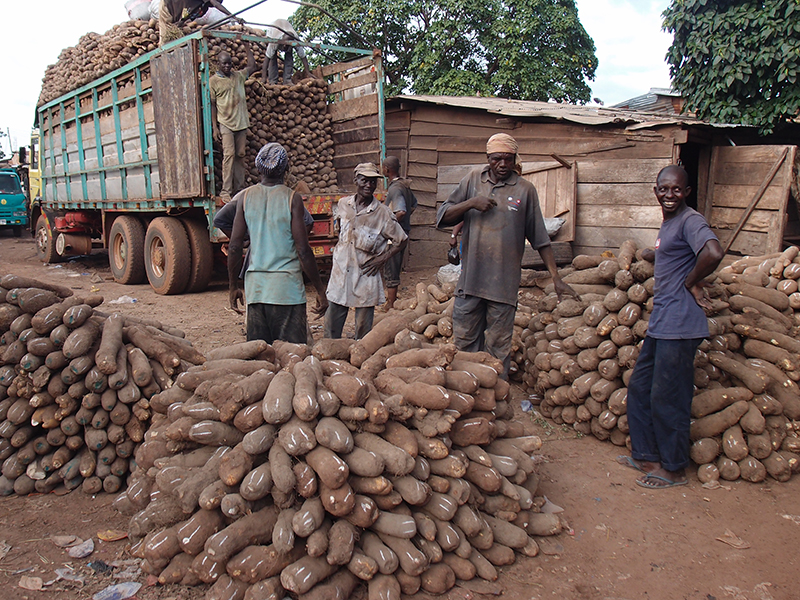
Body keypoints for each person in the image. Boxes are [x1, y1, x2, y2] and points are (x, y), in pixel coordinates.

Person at [436, 133, 578, 377]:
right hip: (470, 283)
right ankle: (467, 395)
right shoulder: (472, 181)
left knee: (498, 350)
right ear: (488, 158)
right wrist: (471, 203)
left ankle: (495, 402)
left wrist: (556, 277)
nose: (502, 165)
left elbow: (540, 239)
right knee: (464, 344)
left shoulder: (525, 190)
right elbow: (442, 217)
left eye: (508, 159)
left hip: (503, 287)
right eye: (497, 159)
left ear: (515, 159)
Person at [618, 165, 724, 489]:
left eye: (676, 190)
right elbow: (673, 253)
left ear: (687, 192)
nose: (669, 195)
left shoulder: (691, 219)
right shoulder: (671, 223)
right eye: (663, 189)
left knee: (669, 397)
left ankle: (674, 468)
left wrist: (692, 280)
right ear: (655, 191)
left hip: (680, 325)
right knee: (639, 388)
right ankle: (646, 454)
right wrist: (653, 252)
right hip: (662, 324)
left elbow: (714, 251)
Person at [227, 143, 328, 344]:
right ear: (286, 169)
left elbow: (235, 246)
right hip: (287, 291)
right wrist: (320, 289)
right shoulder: (292, 199)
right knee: (292, 357)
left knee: (262, 358)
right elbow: (303, 249)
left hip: (256, 291)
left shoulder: (245, 197)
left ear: (258, 169)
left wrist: (233, 287)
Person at [325, 163, 408, 340]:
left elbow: (402, 240)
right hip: (340, 274)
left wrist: (382, 259)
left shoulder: (383, 213)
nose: (369, 185)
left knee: (363, 334)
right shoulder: (343, 204)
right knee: (331, 329)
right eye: (364, 180)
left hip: (365, 275)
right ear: (356, 180)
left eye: (372, 182)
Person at [210, 47, 259, 204]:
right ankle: (226, 190)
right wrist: (214, 127)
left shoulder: (238, 76)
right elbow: (212, 105)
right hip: (225, 123)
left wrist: (246, 46)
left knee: (240, 155)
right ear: (218, 64)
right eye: (224, 64)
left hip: (241, 123)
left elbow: (253, 67)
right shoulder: (213, 81)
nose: (227, 67)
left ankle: (239, 189)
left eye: (229, 64)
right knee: (229, 155)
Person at [381, 156, 413, 309]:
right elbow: (414, 204)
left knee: (391, 266)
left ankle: (390, 303)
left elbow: (401, 211)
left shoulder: (395, 189)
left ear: (387, 169)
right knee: (394, 265)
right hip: (403, 232)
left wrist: (390, 226)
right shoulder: (404, 185)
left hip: (395, 236)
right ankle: (391, 301)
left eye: (383, 167)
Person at [159, 0, 233, 45]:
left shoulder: (203, 9)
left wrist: (180, 22)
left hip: (176, 14)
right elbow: (216, 4)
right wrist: (233, 17)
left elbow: (188, 15)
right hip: (168, 5)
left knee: (176, 37)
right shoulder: (208, 4)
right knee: (166, 38)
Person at [263, 19, 311, 84]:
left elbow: (303, 56)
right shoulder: (274, 40)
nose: (285, 48)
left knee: (289, 55)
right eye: (284, 46)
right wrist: (263, 78)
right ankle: (273, 80)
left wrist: (308, 72)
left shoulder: (296, 40)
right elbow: (267, 59)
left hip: (286, 26)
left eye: (287, 46)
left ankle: (287, 79)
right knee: (272, 57)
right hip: (273, 29)